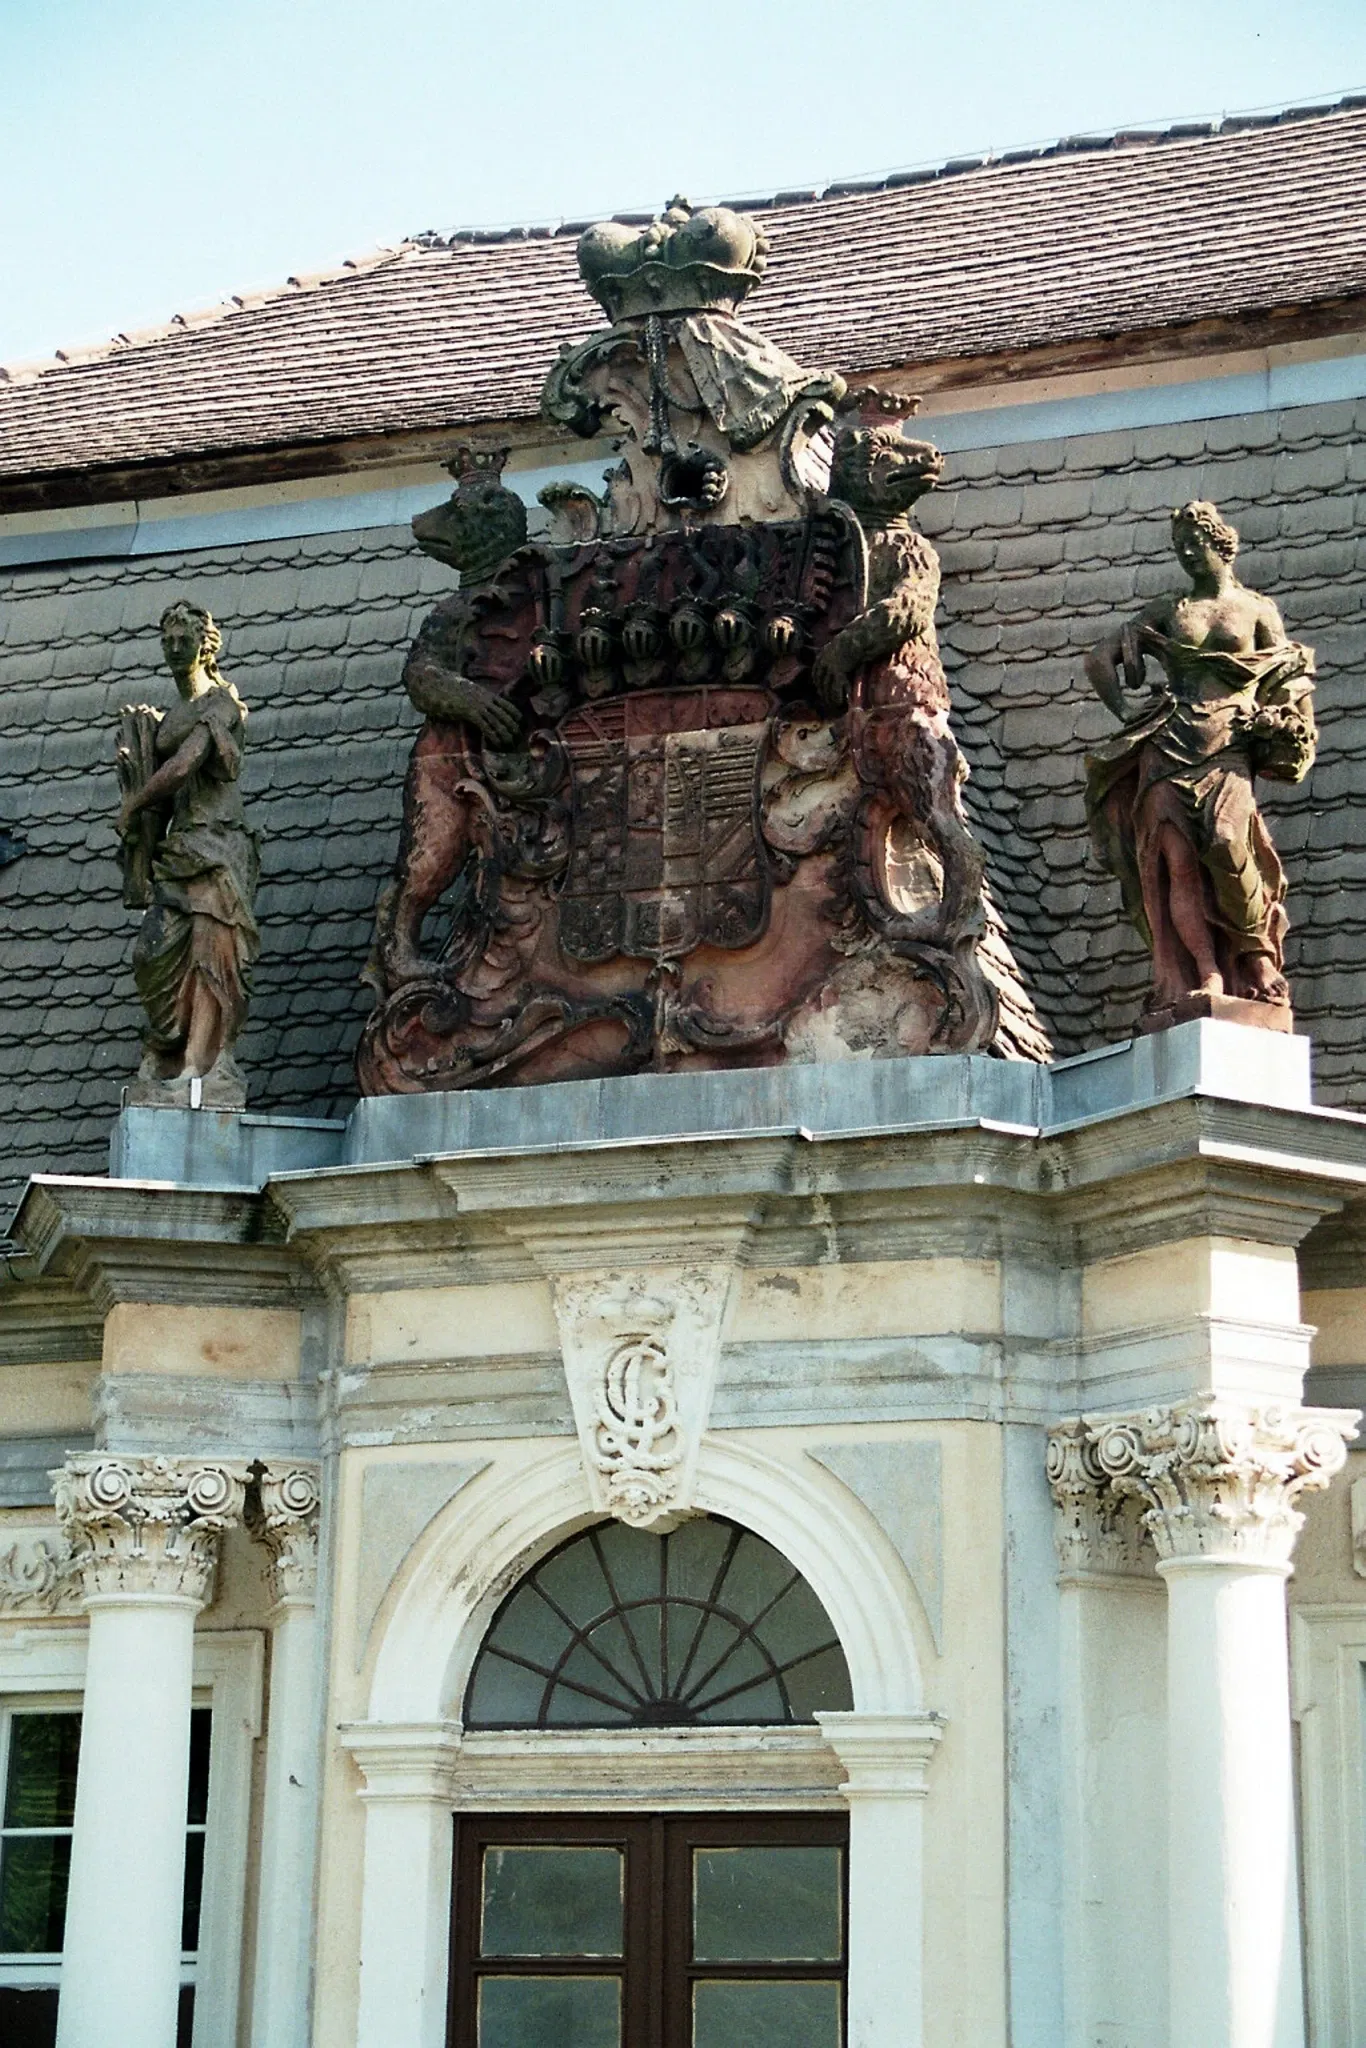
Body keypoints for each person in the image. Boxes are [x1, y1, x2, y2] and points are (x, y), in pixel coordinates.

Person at [1084, 500, 1315, 1012]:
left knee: (1229, 841)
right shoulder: (1171, 611)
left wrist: (1286, 723)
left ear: (1221, 545)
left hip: (1227, 744)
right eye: (1180, 547)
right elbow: (1100, 659)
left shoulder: (1256, 610)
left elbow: (1286, 679)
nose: (1188, 554)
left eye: (1197, 545)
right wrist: (1126, 710)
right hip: (1168, 742)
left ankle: (1255, 955)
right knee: (1176, 862)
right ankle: (1207, 970)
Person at [117, 603, 260, 1090]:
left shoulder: (221, 703)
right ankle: (169, 1049)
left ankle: (201, 1067)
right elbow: (161, 791)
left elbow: (186, 764)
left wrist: (134, 802)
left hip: (219, 842)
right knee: (150, 953)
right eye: (168, 639)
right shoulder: (167, 718)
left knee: (210, 955)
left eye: (186, 638)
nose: (176, 647)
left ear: (206, 644)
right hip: (181, 848)